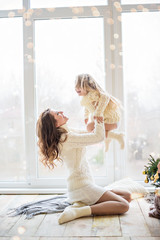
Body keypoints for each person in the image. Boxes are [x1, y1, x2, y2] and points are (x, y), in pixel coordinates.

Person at [36, 108, 131, 224]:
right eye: (57, 113)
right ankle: (79, 211)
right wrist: (99, 120)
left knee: (127, 195)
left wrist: (94, 116)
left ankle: (83, 203)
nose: (61, 111)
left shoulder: (67, 133)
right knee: (124, 205)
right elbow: (98, 137)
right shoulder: (65, 138)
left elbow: (91, 134)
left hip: (84, 185)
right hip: (81, 187)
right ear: (55, 124)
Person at [75, 73, 124, 151]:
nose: (76, 88)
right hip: (107, 121)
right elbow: (87, 107)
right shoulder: (86, 98)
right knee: (94, 129)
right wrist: (86, 116)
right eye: (75, 86)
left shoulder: (94, 94)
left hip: (112, 121)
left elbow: (106, 97)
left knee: (90, 127)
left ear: (86, 86)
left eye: (78, 86)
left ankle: (117, 136)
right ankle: (108, 139)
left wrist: (98, 113)